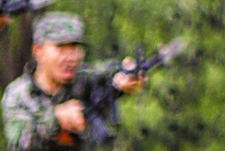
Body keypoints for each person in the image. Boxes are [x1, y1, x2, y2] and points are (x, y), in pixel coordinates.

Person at [2, 13, 148, 150]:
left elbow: (106, 72)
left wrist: (125, 74)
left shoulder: (84, 80)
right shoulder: (19, 94)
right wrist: (56, 120)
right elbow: (19, 141)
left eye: (75, 48)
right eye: (61, 47)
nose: (71, 57)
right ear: (38, 51)